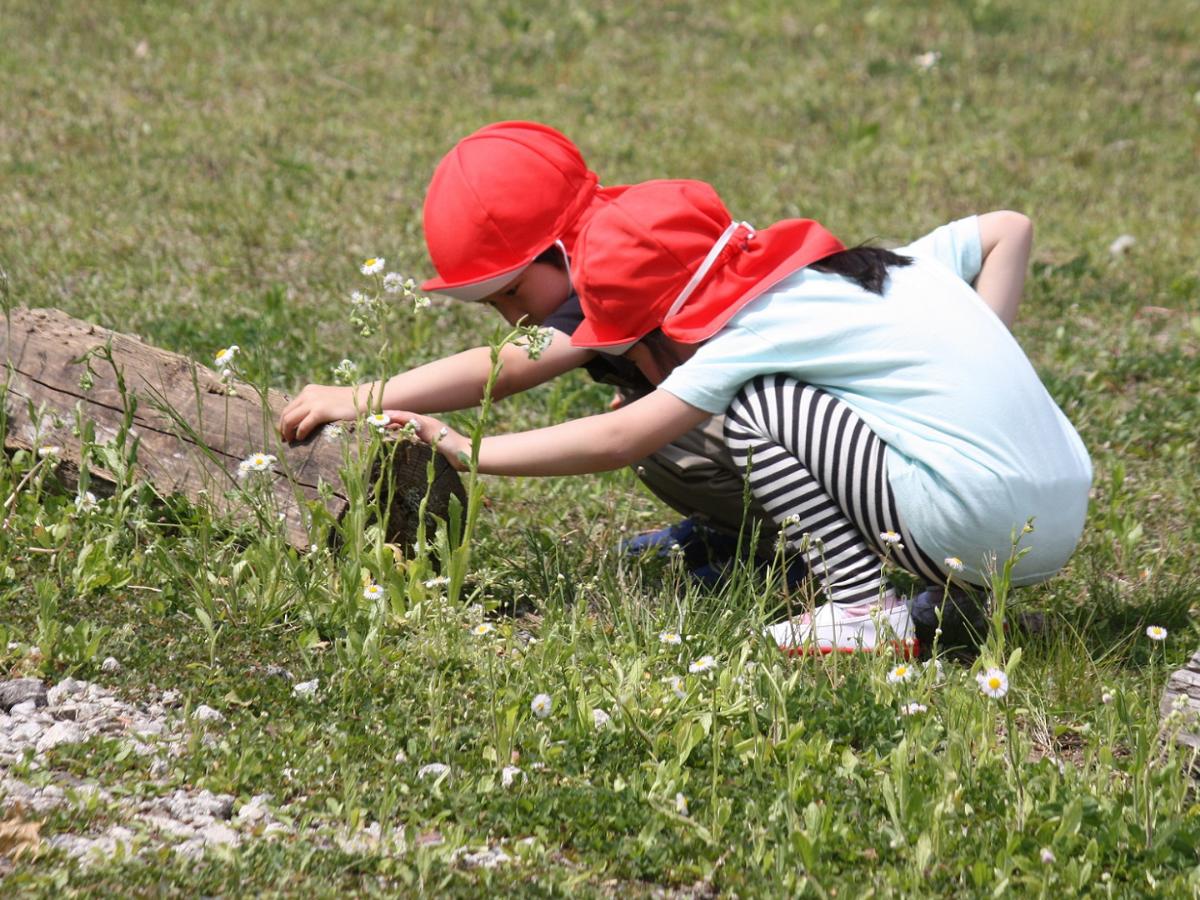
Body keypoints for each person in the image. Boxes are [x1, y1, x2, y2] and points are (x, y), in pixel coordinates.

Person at [382, 179, 1091, 655]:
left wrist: (469, 449)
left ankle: (860, 609)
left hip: (976, 516)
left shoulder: (753, 330)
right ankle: (951, 604)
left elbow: (623, 434)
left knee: (758, 405)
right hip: (1059, 511)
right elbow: (1009, 227)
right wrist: (979, 353)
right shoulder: (893, 266)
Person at [279, 122, 783, 579]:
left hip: (803, 436)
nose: (512, 319)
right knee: (652, 418)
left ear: (559, 249)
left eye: (514, 292)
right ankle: (738, 533)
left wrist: (359, 395)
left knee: (658, 431)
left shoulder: (609, 271)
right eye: (495, 304)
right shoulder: (616, 236)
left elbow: (504, 369)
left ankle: (796, 554)